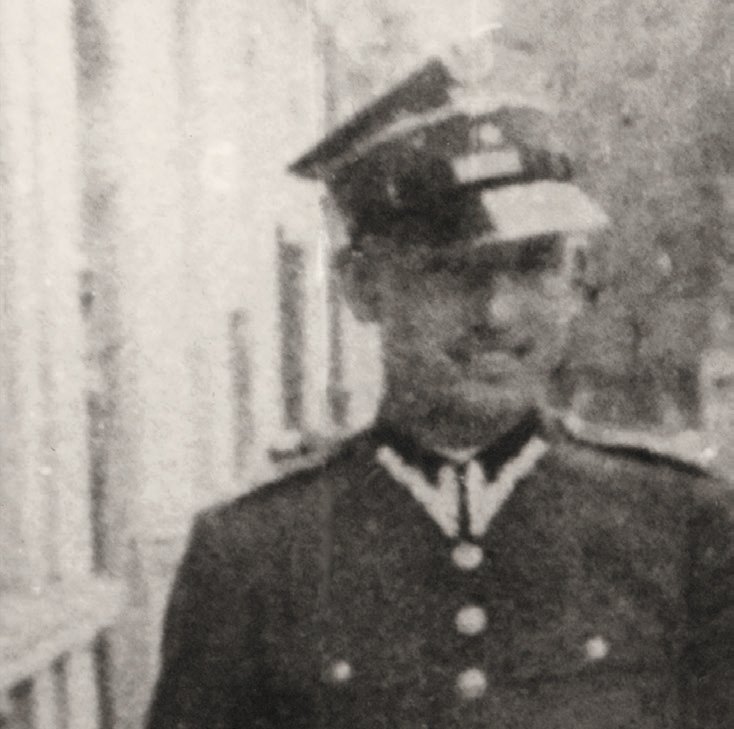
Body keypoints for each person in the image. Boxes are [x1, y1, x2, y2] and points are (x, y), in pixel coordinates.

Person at [146, 33, 733, 729]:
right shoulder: (252, 555)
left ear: (576, 279)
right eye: (451, 270)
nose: (498, 313)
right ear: (364, 287)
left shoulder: (684, 528)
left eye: (534, 265)